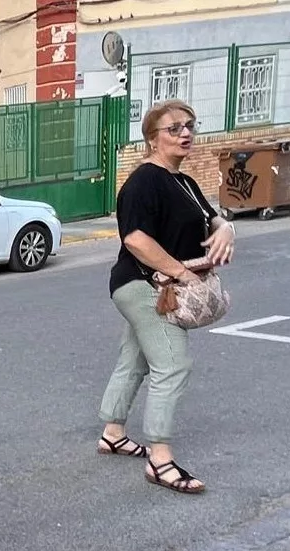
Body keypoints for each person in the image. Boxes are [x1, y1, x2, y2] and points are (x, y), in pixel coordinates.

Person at [97, 99, 234, 494]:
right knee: (173, 364)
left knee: (135, 358)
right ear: (152, 139)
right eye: (174, 128)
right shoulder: (145, 181)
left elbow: (212, 217)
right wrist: (183, 274)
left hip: (159, 284)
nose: (185, 133)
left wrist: (227, 228)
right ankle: (160, 459)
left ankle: (112, 433)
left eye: (189, 125)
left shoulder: (184, 181)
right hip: (147, 285)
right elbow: (135, 239)